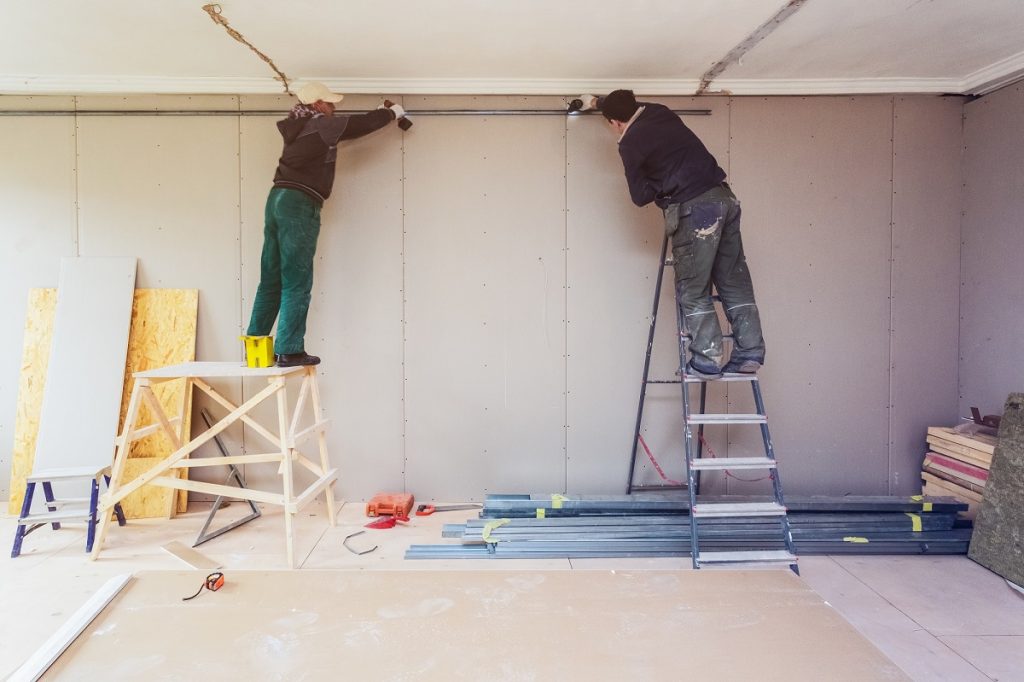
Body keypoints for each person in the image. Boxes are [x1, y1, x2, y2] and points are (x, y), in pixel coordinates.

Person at [579, 89, 765, 379]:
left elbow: (639, 196)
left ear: (615, 122)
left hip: (697, 210)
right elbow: (629, 107)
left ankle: (708, 359)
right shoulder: (660, 111)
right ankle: (750, 352)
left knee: (693, 287)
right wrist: (598, 102)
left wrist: (659, 183)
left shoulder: (630, 143)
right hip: (725, 199)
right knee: (732, 279)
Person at [246, 82, 405, 367]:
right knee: (297, 279)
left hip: (277, 199)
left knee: (271, 278)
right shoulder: (321, 124)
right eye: (330, 103)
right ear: (318, 104)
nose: (334, 108)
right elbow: (360, 125)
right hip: (298, 203)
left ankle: (254, 348)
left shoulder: (299, 125)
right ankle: (290, 350)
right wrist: (391, 112)